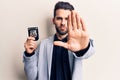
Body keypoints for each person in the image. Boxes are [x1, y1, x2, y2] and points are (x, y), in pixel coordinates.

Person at [23, 1, 95, 80]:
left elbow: (89, 53)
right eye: (59, 18)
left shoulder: (76, 43)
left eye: (67, 19)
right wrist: (29, 55)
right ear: (53, 20)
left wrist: (83, 49)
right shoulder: (44, 44)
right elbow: (32, 77)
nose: (63, 23)